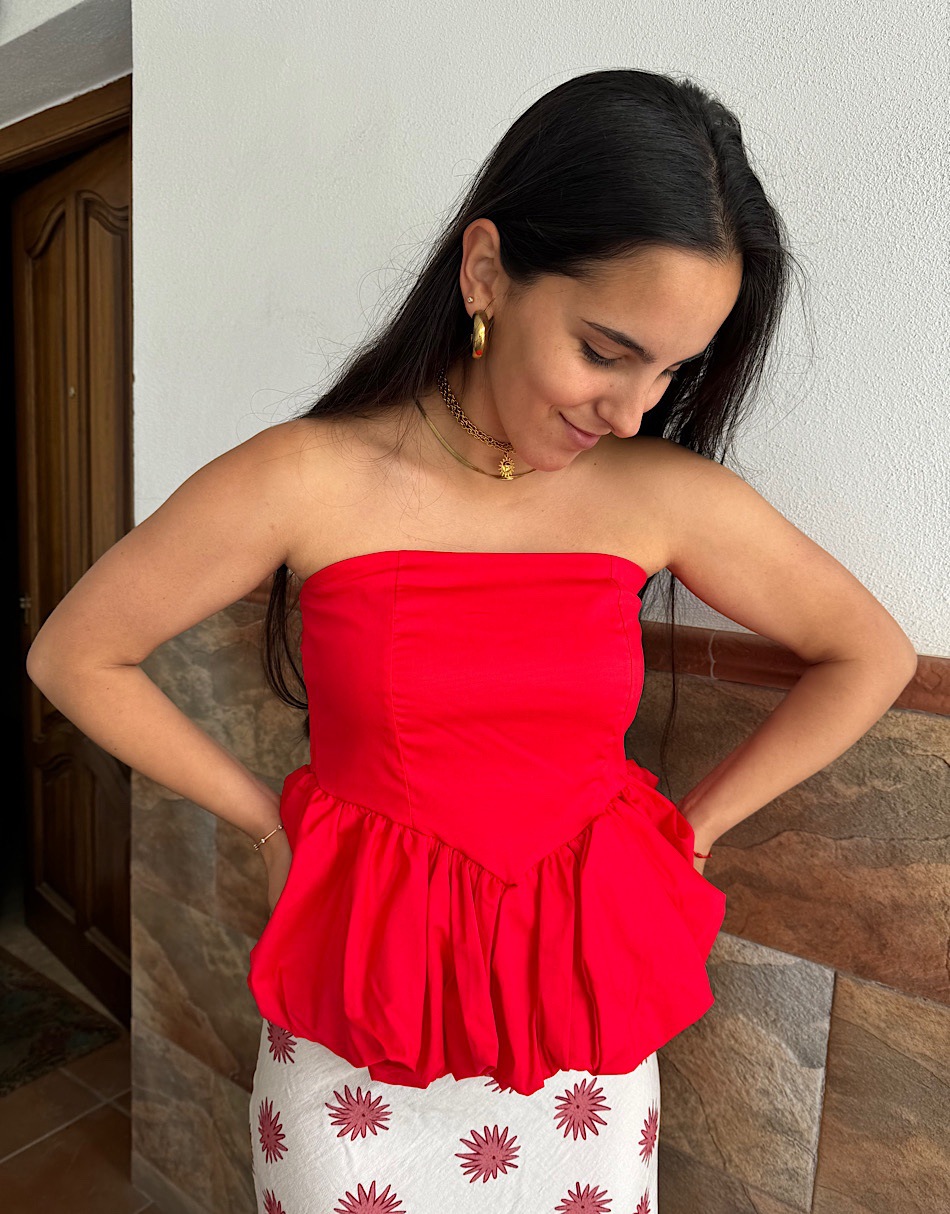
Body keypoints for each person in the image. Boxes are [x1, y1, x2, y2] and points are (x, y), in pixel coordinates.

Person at [25, 69, 917, 1214]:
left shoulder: (658, 492)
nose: (632, 409)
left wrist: (693, 825)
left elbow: (868, 652)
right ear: (486, 270)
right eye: (604, 349)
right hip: (359, 1026)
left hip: (580, 1031)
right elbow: (75, 653)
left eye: (670, 370)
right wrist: (266, 818)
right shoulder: (309, 475)